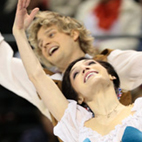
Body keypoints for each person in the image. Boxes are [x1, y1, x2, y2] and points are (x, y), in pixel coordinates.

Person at [12, 1, 142, 141]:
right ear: (77, 96)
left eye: (91, 63)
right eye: (75, 74)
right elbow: (37, 76)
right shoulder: (75, 125)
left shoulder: (139, 109)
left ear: (112, 76)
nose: (85, 68)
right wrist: (18, 32)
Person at [75, 0, 142, 51]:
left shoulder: (132, 9)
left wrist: (100, 48)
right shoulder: (87, 6)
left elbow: (131, 41)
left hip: (114, 55)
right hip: (85, 51)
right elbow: (77, 31)